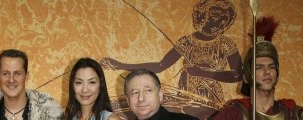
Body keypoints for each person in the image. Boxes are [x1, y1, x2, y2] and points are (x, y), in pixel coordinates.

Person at [101, 0, 242, 107]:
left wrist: (202, 72)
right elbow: (160, 66)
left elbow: (237, 75)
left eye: (224, 19)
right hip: (187, 92)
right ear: (203, 16)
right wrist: (121, 65)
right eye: (216, 17)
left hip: (212, 95)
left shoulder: (226, 44)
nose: (220, 23)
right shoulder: (187, 42)